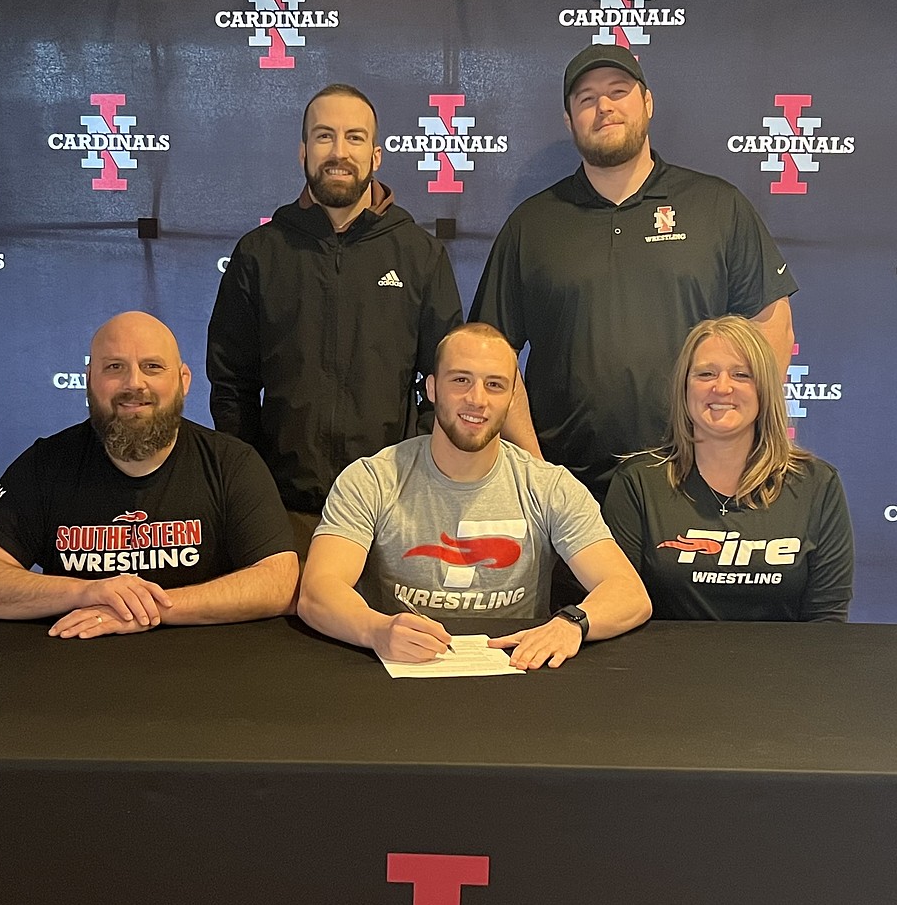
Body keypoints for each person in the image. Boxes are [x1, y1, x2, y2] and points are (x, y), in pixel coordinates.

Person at [470, 44, 798, 502]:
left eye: (618, 92)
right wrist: (538, 470)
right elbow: (491, 354)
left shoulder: (716, 206)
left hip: (696, 483)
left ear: (647, 103)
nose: (603, 107)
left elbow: (771, 323)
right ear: (570, 122)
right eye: (586, 99)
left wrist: (735, 441)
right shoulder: (533, 224)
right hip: (568, 494)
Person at [298, 323, 650, 668]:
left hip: (516, 677)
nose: (477, 399)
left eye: (494, 385)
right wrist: (374, 629)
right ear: (432, 388)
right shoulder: (372, 479)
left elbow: (629, 593)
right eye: (461, 380)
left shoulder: (549, 486)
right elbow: (318, 590)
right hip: (401, 675)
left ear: (512, 398)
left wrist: (571, 623)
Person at [207, 82, 463, 554]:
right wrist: (254, 483)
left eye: (355, 137)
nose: (338, 151)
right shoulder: (260, 253)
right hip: (285, 512)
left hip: (393, 510)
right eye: (324, 137)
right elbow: (231, 385)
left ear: (377, 155)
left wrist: (417, 470)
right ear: (303, 151)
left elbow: (445, 381)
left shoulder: (419, 254)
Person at [0, 311, 298, 639]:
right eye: (114, 367)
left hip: (202, 670)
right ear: (89, 381)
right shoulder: (45, 464)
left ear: (183, 380)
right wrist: (86, 592)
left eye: (153, 367)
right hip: (71, 665)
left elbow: (279, 581)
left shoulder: (231, 463)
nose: (135, 383)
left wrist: (144, 610)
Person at [603, 315, 852, 621]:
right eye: (706, 373)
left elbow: (826, 620)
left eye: (741, 375)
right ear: (684, 387)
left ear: (764, 390)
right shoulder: (638, 483)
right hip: (667, 667)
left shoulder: (817, 485)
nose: (722, 387)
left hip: (783, 668)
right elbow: (614, 603)